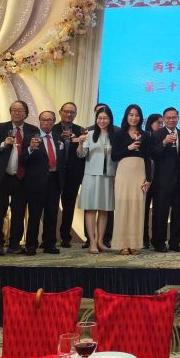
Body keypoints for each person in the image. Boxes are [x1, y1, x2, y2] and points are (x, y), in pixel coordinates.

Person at [0, 101, 39, 256]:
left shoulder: (32, 130)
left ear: (26, 113)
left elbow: (36, 154)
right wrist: (3, 143)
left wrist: (32, 148)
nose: (16, 113)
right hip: (2, 177)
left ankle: (15, 244)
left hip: (21, 178)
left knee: (18, 214)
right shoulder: (0, 127)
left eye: (20, 110)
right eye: (14, 110)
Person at [112, 104, 152, 255]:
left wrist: (149, 179)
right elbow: (114, 156)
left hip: (139, 172)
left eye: (136, 115)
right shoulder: (119, 134)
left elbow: (148, 158)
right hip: (123, 171)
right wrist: (128, 148)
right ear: (126, 116)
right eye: (131, 115)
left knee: (137, 207)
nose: (134, 118)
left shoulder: (145, 135)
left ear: (140, 117)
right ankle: (122, 244)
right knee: (122, 206)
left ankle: (135, 243)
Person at [78, 106, 117, 254]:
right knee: (91, 209)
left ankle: (100, 241)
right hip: (91, 176)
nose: (102, 121)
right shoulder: (89, 134)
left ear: (110, 119)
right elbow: (81, 155)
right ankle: (92, 242)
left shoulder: (115, 135)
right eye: (99, 118)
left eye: (105, 118)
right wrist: (80, 143)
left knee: (104, 209)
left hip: (108, 176)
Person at [22, 111, 62, 255]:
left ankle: (49, 244)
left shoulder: (58, 138)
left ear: (54, 121)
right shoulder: (30, 137)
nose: (46, 122)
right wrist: (30, 149)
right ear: (39, 121)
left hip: (54, 180)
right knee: (34, 215)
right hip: (36, 182)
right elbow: (22, 159)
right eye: (43, 120)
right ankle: (31, 245)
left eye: (49, 120)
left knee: (52, 214)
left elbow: (62, 158)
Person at [150, 107, 180, 252]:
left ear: (178, 118)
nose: (171, 120)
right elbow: (153, 154)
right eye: (168, 118)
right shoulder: (156, 134)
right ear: (164, 119)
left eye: (174, 117)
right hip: (162, 182)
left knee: (178, 214)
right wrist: (164, 143)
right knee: (160, 214)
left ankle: (175, 243)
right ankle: (159, 243)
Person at [52, 102, 86, 249]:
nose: (69, 114)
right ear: (60, 112)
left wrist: (76, 139)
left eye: (72, 112)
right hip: (54, 173)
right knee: (51, 206)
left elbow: (84, 153)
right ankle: (49, 238)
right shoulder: (52, 129)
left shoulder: (80, 130)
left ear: (76, 114)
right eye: (66, 111)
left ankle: (66, 237)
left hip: (73, 173)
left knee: (69, 207)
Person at [142, 113, 164, 248]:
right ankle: (143, 237)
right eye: (158, 123)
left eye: (162, 123)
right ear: (150, 124)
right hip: (146, 177)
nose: (161, 125)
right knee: (143, 209)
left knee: (158, 210)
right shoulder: (145, 136)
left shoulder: (163, 137)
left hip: (160, 179)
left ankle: (155, 239)